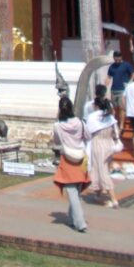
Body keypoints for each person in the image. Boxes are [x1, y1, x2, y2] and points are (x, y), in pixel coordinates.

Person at [52, 96, 90, 233]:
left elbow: (56, 141)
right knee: (76, 191)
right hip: (80, 158)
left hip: (67, 158)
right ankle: (72, 219)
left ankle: (80, 223)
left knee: (73, 192)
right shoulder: (80, 123)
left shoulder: (58, 126)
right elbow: (88, 136)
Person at [85, 95, 121, 208]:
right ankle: (99, 193)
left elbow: (87, 132)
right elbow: (116, 132)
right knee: (101, 168)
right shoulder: (110, 116)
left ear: (96, 105)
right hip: (109, 144)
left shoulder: (93, 117)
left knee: (101, 170)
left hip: (98, 144)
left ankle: (113, 199)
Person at [106, 50, 134, 130]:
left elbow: (133, 73)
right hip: (114, 89)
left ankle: (121, 125)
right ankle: (116, 123)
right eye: (115, 58)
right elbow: (109, 76)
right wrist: (106, 84)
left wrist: (130, 82)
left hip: (122, 90)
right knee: (115, 107)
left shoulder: (126, 65)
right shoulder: (112, 66)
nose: (117, 60)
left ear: (121, 57)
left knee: (122, 107)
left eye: (118, 58)